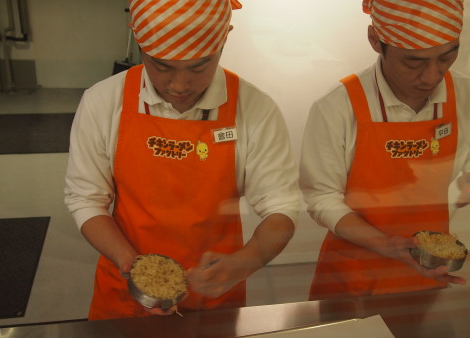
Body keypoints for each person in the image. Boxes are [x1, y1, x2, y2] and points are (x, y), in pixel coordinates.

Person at [64, 0, 301, 320]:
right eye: (161, 66)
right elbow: (85, 199)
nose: (179, 86)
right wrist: (132, 266)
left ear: (225, 38)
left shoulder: (254, 109)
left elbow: (281, 207)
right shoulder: (105, 102)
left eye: (199, 67)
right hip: (126, 294)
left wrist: (245, 262)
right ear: (139, 44)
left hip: (214, 296)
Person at [300, 0, 470, 301]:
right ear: (375, 40)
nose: (431, 76)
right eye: (413, 62)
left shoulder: (469, 97)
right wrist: (387, 246)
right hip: (353, 271)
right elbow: (321, 197)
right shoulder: (338, 107)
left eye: (447, 57)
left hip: (429, 268)